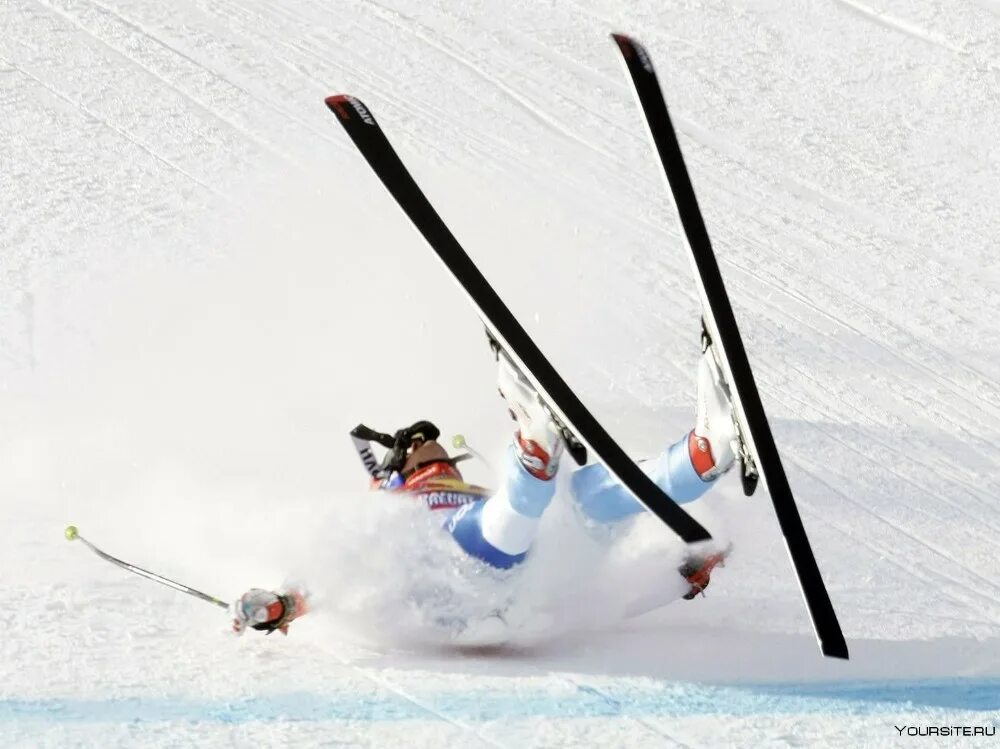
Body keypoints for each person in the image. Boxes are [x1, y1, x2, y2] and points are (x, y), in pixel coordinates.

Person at [231, 334, 741, 635]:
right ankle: (535, 453)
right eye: (417, 444)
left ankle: (702, 456)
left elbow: (600, 603)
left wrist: (678, 574)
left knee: (579, 502)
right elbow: (340, 563)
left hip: (520, 597)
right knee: (499, 525)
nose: (430, 445)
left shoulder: (467, 491)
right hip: (451, 590)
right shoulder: (390, 502)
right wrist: (283, 603)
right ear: (396, 465)